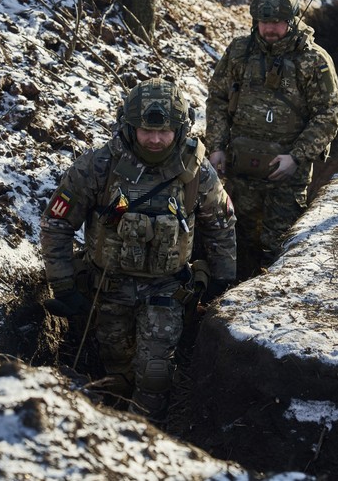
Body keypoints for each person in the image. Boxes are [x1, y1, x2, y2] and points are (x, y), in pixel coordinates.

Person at [40, 78, 236, 422]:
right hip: (108, 289)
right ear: (129, 127)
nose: (156, 140)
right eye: (147, 131)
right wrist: (64, 286)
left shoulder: (196, 173)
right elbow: (56, 224)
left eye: (165, 132)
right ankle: (113, 427)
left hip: (166, 290)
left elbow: (220, 227)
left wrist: (222, 283)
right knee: (117, 368)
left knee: (154, 372)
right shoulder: (99, 167)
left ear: (180, 128)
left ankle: (149, 438)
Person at [205, 0, 338, 280]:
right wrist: (216, 146)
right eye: (264, 22)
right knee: (237, 237)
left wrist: (296, 156)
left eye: (277, 22)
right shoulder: (239, 53)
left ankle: (268, 298)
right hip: (240, 167)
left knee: (278, 243)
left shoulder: (313, 60)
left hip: (286, 173)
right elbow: (217, 98)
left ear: (291, 20)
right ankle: (228, 300)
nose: (269, 28)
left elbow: (330, 111)